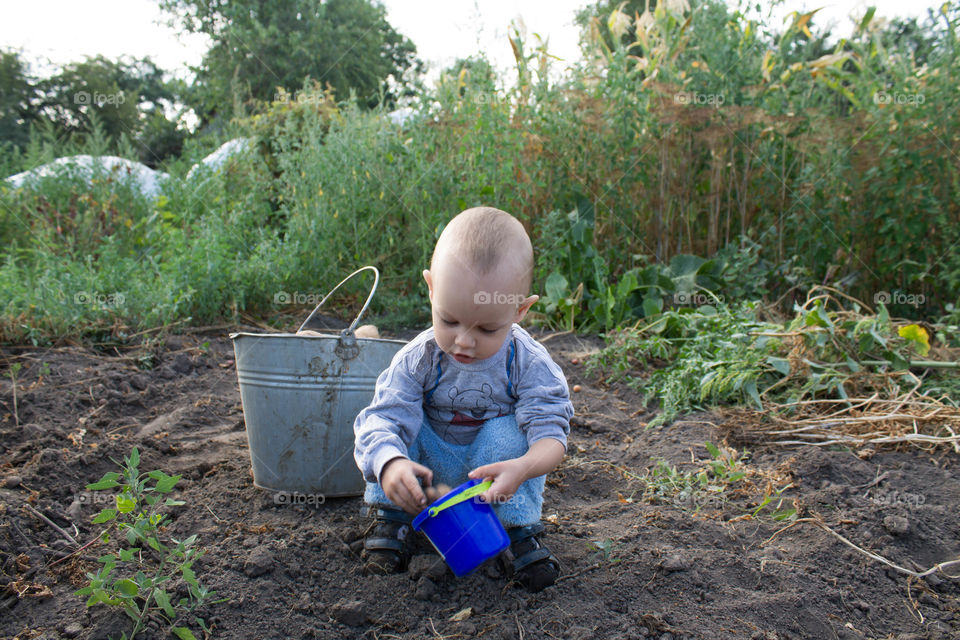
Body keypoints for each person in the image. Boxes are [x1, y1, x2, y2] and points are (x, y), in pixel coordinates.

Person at [353, 206, 574, 592]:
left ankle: (517, 530)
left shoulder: (528, 362)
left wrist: (522, 468)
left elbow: (551, 435)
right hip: (426, 475)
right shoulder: (417, 358)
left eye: (487, 328)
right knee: (398, 429)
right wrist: (390, 464)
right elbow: (381, 419)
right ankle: (393, 517)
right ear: (431, 289)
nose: (464, 341)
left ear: (520, 310)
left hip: (494, 475)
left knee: (510, 433)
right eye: (449, 320)